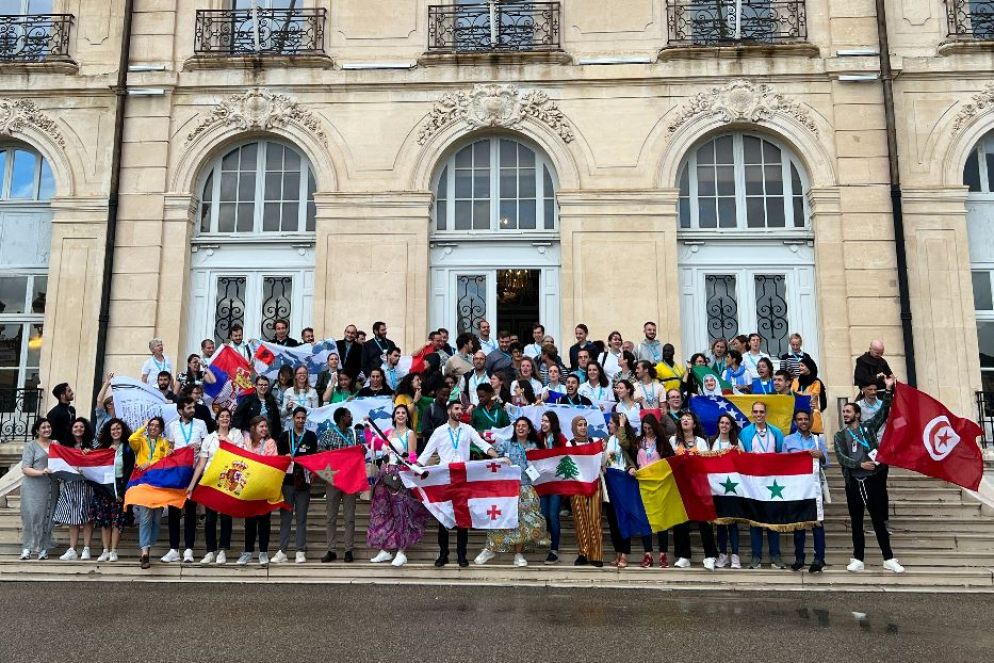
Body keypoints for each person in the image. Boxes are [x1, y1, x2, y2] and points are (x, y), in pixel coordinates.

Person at [419, 401, 501, 567]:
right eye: (456, 409)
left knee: (462, 518)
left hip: (463, 478)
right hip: (444, 479)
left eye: (461, 409)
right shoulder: (439, 431)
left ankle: (461, 555)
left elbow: (483, 445)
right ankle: (443, 554)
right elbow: (425, 454)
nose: (460, 411)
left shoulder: (468, 429)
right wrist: (413, 468)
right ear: (449, 411)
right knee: (443, 518)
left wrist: (497, 458)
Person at [835, 376, 904, 573]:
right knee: (856, 521)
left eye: (848, 411)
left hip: (872, 480)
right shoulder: (840, 435)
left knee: (878, 520)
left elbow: (883, 412)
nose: (845, 414)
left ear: (857, 414)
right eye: (844, 412)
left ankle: (888, 558)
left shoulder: (868, 428)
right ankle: (858, 558)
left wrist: (889, 389)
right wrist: (859, 463)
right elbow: (841, 457)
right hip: (854, 483)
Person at [474, 416, 550, 567]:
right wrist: (502, 460)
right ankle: (490, 548)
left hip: (527, 487)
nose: (520, 428)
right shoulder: (506, 444)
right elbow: (495, 461)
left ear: (529, 429)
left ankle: (518, 554)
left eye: (524, 426)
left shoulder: (535, 445)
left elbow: (543, 467)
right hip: (506, 489)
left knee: (523, 522)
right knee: (498, 519)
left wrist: (532, 457)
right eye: (518, 425)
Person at [368, 405, 430, 567]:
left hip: (400, 475)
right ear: (394, 416)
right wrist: (366, 426)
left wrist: (409, 461)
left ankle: (401, 551)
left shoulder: (410, 434)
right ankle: (386, 549)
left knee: (401, 512)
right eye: (398, 413)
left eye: (403, 413)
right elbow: (372, 445)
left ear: (407, 417)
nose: (401, 415)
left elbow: (412, 456)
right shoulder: (387, 433)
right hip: (384, 474)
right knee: (383, 511)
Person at [187, 408, 241, 565]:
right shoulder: (209, 438)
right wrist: (191, 485)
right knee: (210, 519)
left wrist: (226, 440)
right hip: (210, 481)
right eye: (221, 416)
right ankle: (210, 551)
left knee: (225, 517)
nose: (224, 418)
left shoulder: (236, 435)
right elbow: (201, 464)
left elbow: (240, 454)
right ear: (216, 420)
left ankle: (223, 550)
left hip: (228, 481)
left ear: (230, 420)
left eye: (227, 416)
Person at [162, 397, 209, 564]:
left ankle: (189, 549)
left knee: (191, 510)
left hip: (194, 472)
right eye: (189, 408)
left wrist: (199, 446)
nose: (192, 410)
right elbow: (169, 447)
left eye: (193, 407)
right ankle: (174, 549)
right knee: (174, 510)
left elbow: (206, 445)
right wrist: (170, 452)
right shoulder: (173, 426)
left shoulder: (201, 424)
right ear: (180, 411)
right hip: (176, 472)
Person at [670, 412, 718, 570]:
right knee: (681, 522)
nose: (685, 420)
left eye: (688, 419)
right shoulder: (673, 441)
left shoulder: (701, 442)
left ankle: (710, 556)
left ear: (694, 425)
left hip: (699, 486)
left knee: (704, 522)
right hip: (680, 486)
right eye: (682, 419)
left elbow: (705, 462)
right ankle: (683, 556)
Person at [740, 401, 785, 569]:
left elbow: (782, 455)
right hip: (753, 483)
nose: (758, 415)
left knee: (773, 521)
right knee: (755, 522)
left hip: (772, 483)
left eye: (761, 412)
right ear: (752, 413)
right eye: (756, 412)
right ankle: (756, 557)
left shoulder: (776, 432)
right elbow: (742, 457)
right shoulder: (745, 433)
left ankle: (776, 556)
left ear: (766, 414)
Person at [784, 409, 829, 573]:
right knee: (799, 524)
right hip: (797, 488)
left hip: (815, 488)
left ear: (810, 421)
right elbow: (783, 464)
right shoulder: (787, 441)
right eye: (799, 419)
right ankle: (799, 558)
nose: (803, 422)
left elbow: (827, 463)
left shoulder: (818, 440)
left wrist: (821, 456)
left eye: (805, 419)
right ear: (795, 422)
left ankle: (819, 558)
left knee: (817, 524)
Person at [315, 407, 361, 563]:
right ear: (342, 418)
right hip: (333, 480)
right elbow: (320, 454)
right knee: (331, 517)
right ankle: (331, 550)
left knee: (349, 517)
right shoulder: (327, 434)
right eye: (349, 416)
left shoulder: (353, 434)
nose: (351, 418)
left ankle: (348, 550)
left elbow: (359, 454)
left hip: (350, 480)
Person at [273, 407, 318, 565]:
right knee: (285, 518)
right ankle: (283, 551)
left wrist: (312, 475)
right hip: (287, 483)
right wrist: (284, 457)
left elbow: (314, 460)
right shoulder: (285, 436)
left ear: (305, 419)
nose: (300, 420)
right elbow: (277, 458)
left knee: (301, 518)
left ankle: (300, 551)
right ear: (293, 418)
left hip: (303, 483)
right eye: (297, 418)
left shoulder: (311, 436)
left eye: (302, 418)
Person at [236, 417, 279, 567]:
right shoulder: (247, 441)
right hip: (249, 486)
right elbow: (241, 458)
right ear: (253, 427)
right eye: (261, 426)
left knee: (264, 520)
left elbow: (272, 462)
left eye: (266, 426)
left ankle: (263, 552)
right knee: (250, 521)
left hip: (264, 486)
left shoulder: (270, 443)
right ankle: (248, 552)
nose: (264, 429)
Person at [90, 418, 134, 563]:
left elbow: (129, 470)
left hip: (120, 486)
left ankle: (114, 551)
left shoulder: (128, 448)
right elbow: (95, 467)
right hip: (104, 487)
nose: (116, 431)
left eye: (118, 429)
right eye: (113, 429)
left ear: (123, 430)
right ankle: (105, 550)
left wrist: (122, 492)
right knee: (104, 521)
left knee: (117, 520)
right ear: (109, 431)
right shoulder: (102, 447)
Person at [129, 417, 170, 569]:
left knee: (157, 519)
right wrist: (143, 426)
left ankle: (149, 544)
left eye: (156, 426)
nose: (153, 428)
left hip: (159, 484)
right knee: (145, 517)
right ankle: (144, 552)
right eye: (151, 425)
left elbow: (166, 461)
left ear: (161, 429)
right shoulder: (141, 441)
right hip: (144, 482)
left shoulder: (164, 443)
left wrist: (151, 464)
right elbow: (131, 438)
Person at [635, 413, 675, 568]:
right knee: (646, 520)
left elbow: (671, 461)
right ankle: (648, 554)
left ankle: (663, 554)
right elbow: (630, 458)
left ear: (655, 427)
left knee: (661, 521)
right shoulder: (639, 441)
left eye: (650, 428)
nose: (647, 431)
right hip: (643, 485)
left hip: (660, 485)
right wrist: (632, 467)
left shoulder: (663, 442)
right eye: (645, 428)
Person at [54, 418, 96, 561]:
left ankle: (86, 549)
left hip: (87, 485)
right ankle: (72, 549)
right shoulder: (65, 447)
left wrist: (90, 454)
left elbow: (98, 463)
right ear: (71, 429)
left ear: (86, 429)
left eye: (82, 427)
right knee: (73, 518)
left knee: (88, 518)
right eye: (76, 426)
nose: (78, 429)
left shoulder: (92, 445)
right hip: (71, 485)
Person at [19, 418, 59, 561]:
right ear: (37, 430)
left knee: (47, 516)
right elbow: (25, 468)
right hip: (33, 486)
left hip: (51, 486)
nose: (47, 429)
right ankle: (27, 548)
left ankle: (43, 548)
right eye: (43, 427)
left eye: (48, 427)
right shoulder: (31, 446)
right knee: (31, 516)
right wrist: (41, 472)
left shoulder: (55, 444)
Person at [567, 416, 604, 567]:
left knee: (595, 518)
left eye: (584, 425)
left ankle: (596, 555)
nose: (582, 427)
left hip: (594, 482)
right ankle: (583, 552)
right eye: (580, 425)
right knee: (580, 518)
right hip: (577, 484)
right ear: (574, 427)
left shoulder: (595, 442)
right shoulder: (569, 444)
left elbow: (602, 461)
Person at [603, 412, 638, 567]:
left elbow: (626, 446)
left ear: (617, 424)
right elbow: (607, 459)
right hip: (610, 481)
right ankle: (618, 553)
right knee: (612, 520)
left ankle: (625, 554)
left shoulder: (625, 437)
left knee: (623, 517)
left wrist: (622, 427)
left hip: (623, 480)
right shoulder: (608, 439)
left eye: (611, 422)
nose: (608, 425)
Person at [534, 411, 567, 564]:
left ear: (553, 423)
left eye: (546, 421)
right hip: (541, 482)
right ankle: (546, 536)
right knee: (544, 514)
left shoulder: (560, 439)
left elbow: (567, 457)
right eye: (542, 421)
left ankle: (554, 550)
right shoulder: (537, 438)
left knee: (553, 515)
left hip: (556, 482)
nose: (543, 424)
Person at [709, 413, 741, 569]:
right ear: (718, 425)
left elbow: (743, 463)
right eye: (722, 422)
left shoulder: (736, 442)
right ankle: (723, 555)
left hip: (733, 488)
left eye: (727, 423)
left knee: (732, 524)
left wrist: (738, 453)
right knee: (720, 524)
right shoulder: (711, 442)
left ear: (731, 426)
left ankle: (735, 556)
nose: (724, 425)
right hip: (717, 489)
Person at [792, 356, 827, 435]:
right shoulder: (796, 380)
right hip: (798, 414)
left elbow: (812, 395)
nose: (800, 368)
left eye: (802, 365)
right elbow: (792, 394)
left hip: (812, 415)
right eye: (799, 366)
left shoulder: (816, 382)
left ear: (809, 367)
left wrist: (798, 394)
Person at [281, 365, 318, 432]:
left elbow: (316, 413)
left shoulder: (313, 392)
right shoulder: (289, 391)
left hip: (307, 426)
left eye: (304, 373)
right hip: (291, 425)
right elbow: (282, 414)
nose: (302, 375)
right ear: (295, 376)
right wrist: (287, 408)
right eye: (300, 373)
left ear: (307, 375)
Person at [418, 385, 451, 455]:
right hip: (433, 452)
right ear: (437, 393)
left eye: (448, 395)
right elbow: (424, 431)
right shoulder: (429, 409)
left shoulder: (450, 410)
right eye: (443, 395)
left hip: (447, 450)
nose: (446, 397)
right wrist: (442, 432)